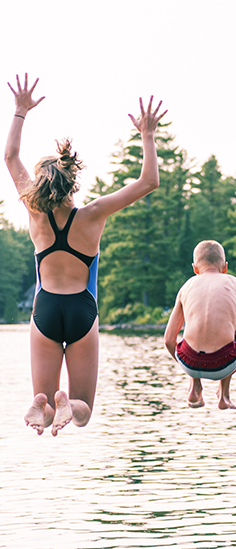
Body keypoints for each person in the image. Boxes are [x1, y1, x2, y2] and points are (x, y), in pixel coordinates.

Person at [4, 73, 167, 436]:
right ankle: (65, 402)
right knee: (83, 410)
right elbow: (148, 182)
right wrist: (148, 135)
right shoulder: (93, 214)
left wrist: (20, 111)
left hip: (45, 309)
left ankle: (43, 403)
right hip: (82, 310)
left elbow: (10, 156)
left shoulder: (35, 213)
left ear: (42, 185)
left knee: (42, 408)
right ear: (71, 182)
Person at [164, 240, 236, 410]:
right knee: (230, 328)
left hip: (189, 363)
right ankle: (224, 396)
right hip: (224, 365)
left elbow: (169, 341)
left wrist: (187, 366)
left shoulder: (186, 287)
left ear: (195, 268)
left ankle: (195, 386)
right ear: (225, 267)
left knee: (190, 327)